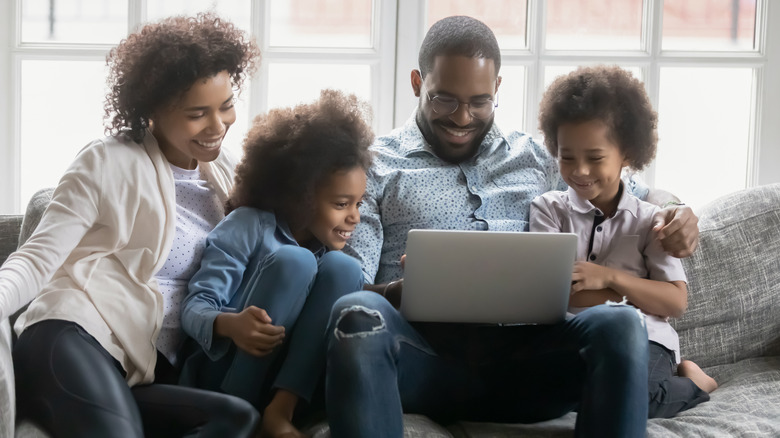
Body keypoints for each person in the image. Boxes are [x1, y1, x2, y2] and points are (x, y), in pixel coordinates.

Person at [325, 16, 701, 438]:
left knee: (621, 325)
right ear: (417, 82)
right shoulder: (374, 168)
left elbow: (637, 191)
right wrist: (401, 291)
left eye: (480, 101)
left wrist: (680, 210)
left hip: (533, 364)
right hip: (424, 360)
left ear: (498, 89)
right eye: (444, 99)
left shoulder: (541, 159)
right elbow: (351, 282)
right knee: (353, 313)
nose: (462, 117)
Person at [1, 13, 261, 437]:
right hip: (71, 337)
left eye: (227, 105)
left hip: (142, 366)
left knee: (237, 420)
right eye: (198, 113)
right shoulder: (107, 161)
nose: (218, 126)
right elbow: (35, 258)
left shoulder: (227, 174)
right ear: (152, 110)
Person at [178, 89, 374, 438]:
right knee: (295, 261)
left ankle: (280, 410)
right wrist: (231, 324)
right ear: (300, 194)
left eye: (359, 203)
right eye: (342, 204)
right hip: (222, 376)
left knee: (346, 269)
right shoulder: (247, 224)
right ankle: (237, 418)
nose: (355, 217)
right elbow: (195, 308)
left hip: (279, 382)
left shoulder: (327, 252)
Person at [531, 65, 717, 418]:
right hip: (574, 338)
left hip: (647, 341)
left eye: (595, 158)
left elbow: (674, 301)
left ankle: (696, 381)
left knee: (635, 397)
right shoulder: (548, 210)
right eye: (567, 156)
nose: (580, 171)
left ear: (627, 155)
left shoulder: (651, 220)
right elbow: (554, 293)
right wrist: (639, 296)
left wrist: (609, 278)